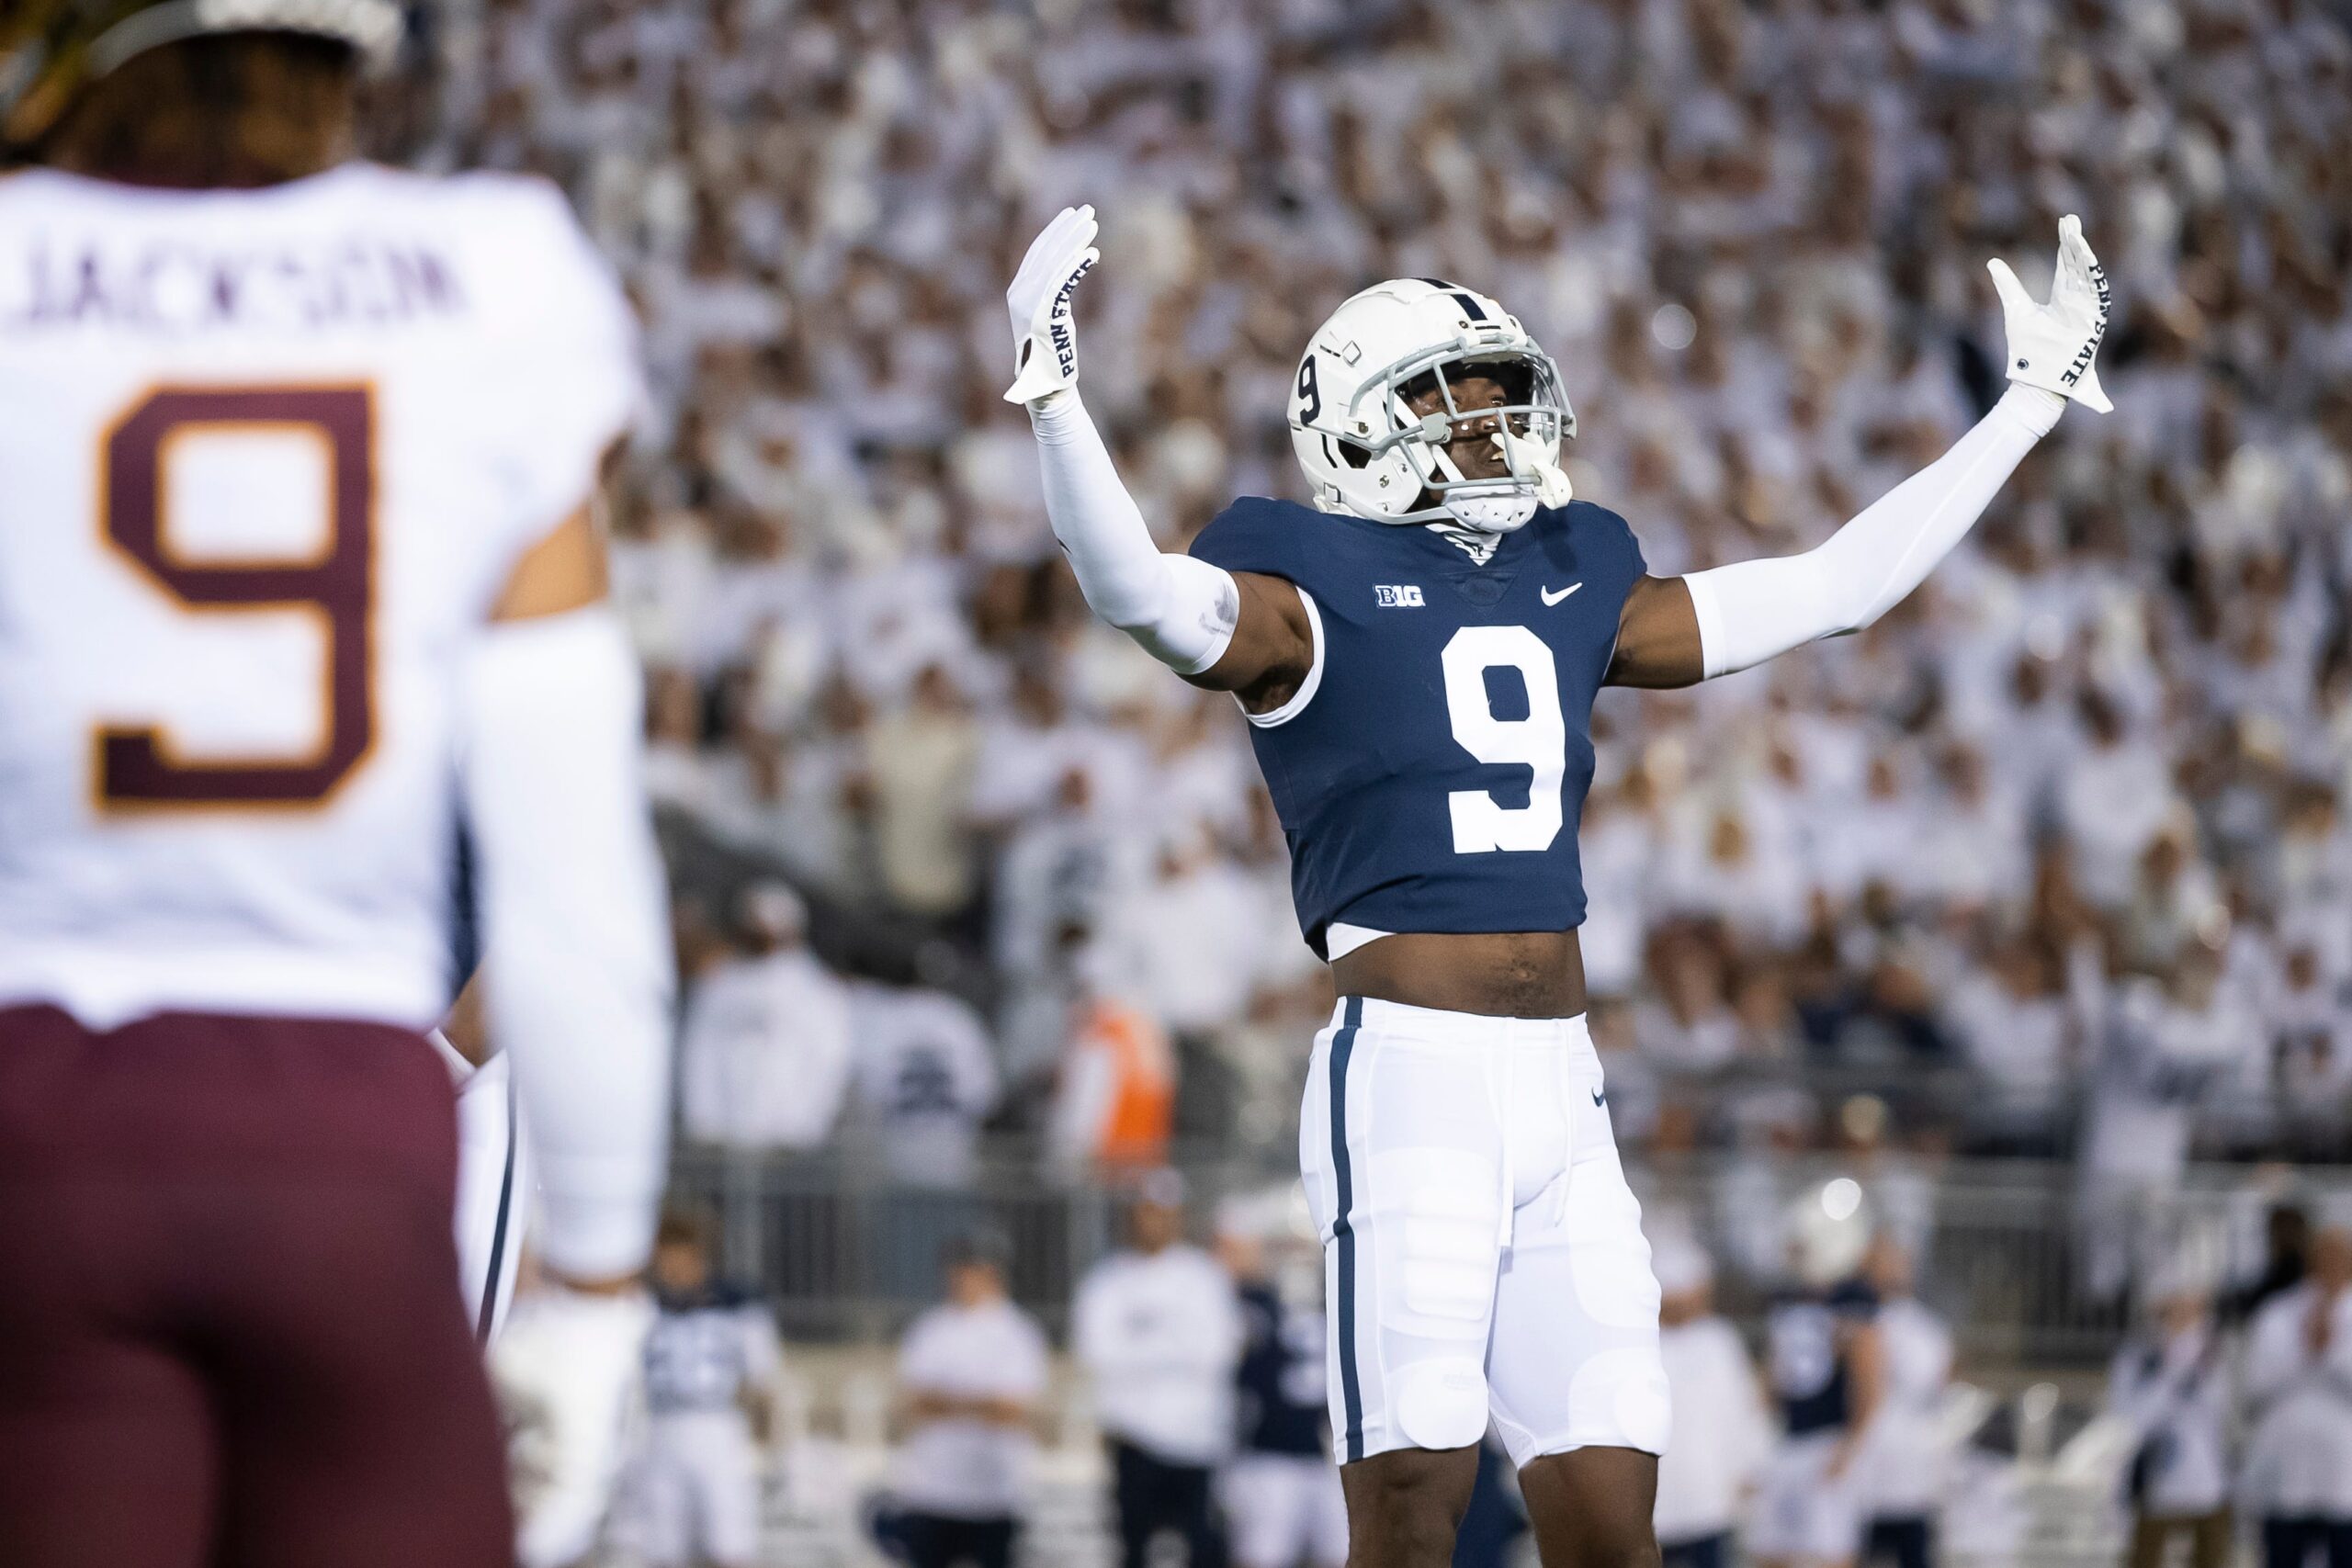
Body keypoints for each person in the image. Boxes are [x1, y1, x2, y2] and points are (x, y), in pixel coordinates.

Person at [1004, 197, 2110, 1567]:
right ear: (1353, 425)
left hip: (1563, 1089)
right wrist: (1056, 396)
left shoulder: (1569, 564)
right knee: (1410, 1500)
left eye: (1495, 394)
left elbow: (1837, 586)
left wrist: (2028, 406)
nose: (1485, 423)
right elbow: (1139, 593)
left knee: (1609, 1518)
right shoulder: (1302, 571)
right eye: (1444, 398)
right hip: (1409, 1074)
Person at [0, 7, 673, 1566]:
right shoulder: (493, 277)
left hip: (37, 1130)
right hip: (345, 1141)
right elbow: (571, 845)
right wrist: (601, 1275)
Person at [1073, 1169, 1246, 1568]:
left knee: (1202, 1549)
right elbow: (1097, 1354)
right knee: (1134, 1548)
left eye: (1164, 1212)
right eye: (1147, 1211)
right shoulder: (1108, 1279)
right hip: (1133, 1438)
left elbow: (1217, 1352)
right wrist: (1173, 1348)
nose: (1154, 1221)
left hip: (1197, 1439)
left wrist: (1142, 1347)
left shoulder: (1204, 1276)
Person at [622, 1211, 782, 1568]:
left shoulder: (737, 1302)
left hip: (718, 1425)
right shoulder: (643, 1306)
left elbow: (762, 1378)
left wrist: (766, 1438)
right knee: (663, 1542)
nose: (671, 1270)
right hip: (660, 1428)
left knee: (729, 1538)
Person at [891, 1227, 1052, 1568]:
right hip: (932, 1490)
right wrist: (980, 1402)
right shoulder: (931, 1328)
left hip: (994, 1493)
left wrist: (949, 1402)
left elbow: (1012, 1408)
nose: (959, 1277)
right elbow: (916, 1402)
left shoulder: (1016, 1331)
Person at [677, 880, 854, 1150]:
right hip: (723, 1145)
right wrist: (704, 1122)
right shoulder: (719, 984)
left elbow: (830, 1057)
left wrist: (804, 1125)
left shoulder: (818, 990)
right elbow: (698, 1053)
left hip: (790, 1144)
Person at [1218, 1204, 1349, 1568]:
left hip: (1320, 1455)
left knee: (1340, 1553)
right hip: (1275, 1453)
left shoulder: (1259, 1303)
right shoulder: (1248, 1302)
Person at [1649, 1239, 1772, 1568]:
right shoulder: (1641, 1343)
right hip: (1654, 1499)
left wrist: (1752, 1464)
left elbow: (1745, 1408)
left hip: (1710, 1493)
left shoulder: (1719, 1339)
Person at [2241, 1227, 2352, 1568]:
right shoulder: (2277, 1312)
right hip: (2286, 1473)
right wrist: (2306, 1352)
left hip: (2343, 1477)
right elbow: (2255, 1384)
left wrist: (2328, 1352)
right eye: (2324, 1257)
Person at [2108, 1268, 2233, 1568]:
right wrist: (2170, 1371)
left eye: (2190, 1309)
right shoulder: (2137, 1358)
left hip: (2207, 1488)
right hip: (2154, 1490)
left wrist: (2188, 1360)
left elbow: (2218, 1415)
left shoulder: (2214, 1356)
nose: (2182, 1318)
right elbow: (2129, 1422)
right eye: (2173, 1308)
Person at [1858, 1237, 1953, 1568]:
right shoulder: (1854, 1320)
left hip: (1910, 1472)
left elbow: (1926, 1384)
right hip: (1864, 1476)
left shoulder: (1925, 1328)